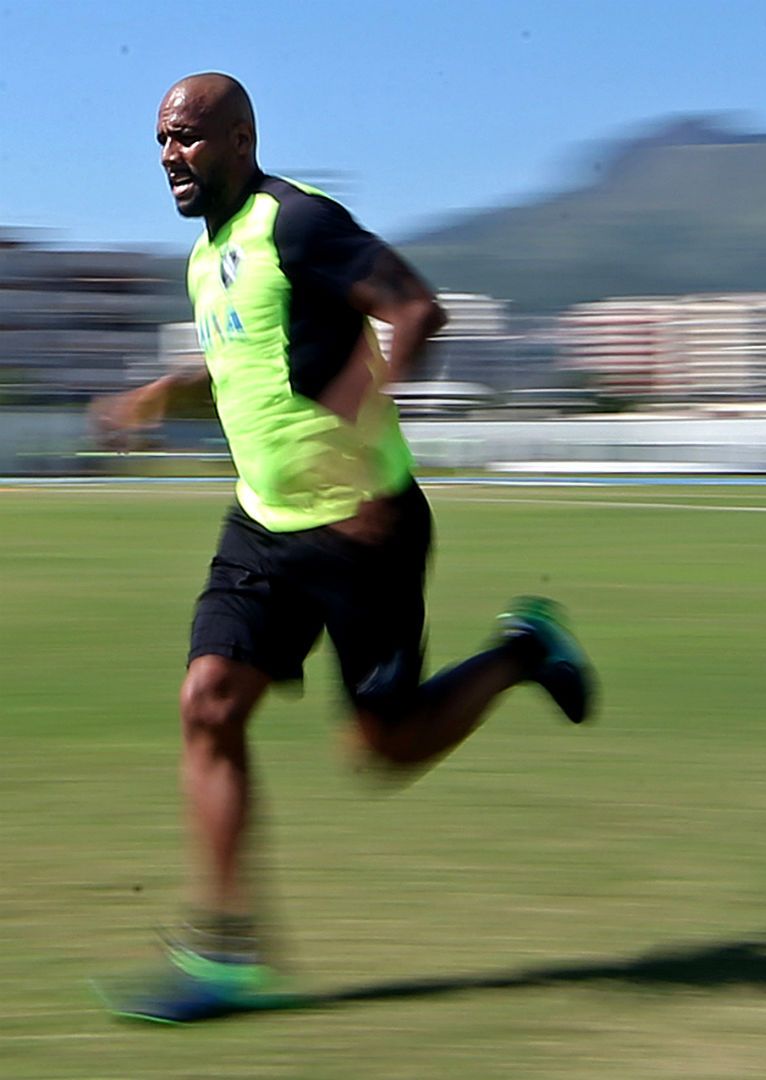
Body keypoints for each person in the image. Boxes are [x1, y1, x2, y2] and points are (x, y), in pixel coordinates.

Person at [89, 72, 596, 1023]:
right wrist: (163, 393)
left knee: (386, 746)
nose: (170, 157)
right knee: (207, 702)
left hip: (367, 526)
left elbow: (416, 311)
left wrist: (362, 457)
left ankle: (526, 651)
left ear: (241, 138)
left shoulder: (300, 222)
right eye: (161, 140)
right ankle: (224, 954)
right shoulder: (206, 260)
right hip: (264, 525)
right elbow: (250, 364)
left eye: (189, 138)